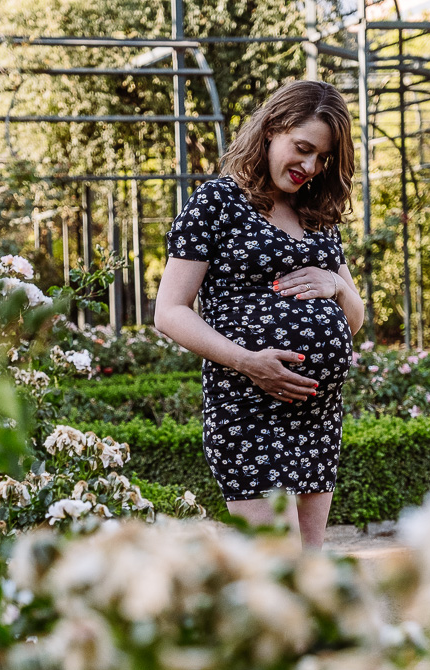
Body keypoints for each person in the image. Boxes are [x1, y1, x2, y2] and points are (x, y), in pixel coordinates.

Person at [154, 80, 365, 549]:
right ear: (272, 129)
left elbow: (354, 318)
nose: (309, 167)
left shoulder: (317, 215)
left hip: (317, 416)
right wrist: (248, 361)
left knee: (307, 574)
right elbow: (169, 312)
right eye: (303, 148)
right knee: (280, 572)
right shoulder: (217, 203)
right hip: (248, 410)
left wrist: (336, 285)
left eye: (321, 158)